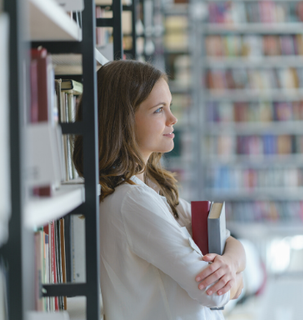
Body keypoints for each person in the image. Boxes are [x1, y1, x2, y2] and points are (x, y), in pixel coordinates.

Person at [72, 60, 246, 320]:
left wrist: (230, 264)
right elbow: (214, 294)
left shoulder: (151, 188)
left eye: (170, 107)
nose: (173, 119)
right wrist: (237, 281)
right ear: (124, 120)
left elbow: (230, 241)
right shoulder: (132, 201)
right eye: (158, 110)